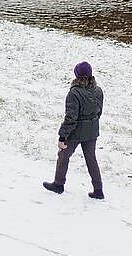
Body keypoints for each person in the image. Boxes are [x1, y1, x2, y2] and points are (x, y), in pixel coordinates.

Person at [43, 61, 104, 199]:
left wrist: (62, 136)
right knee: (91, 159)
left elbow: (71, 118)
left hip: (76, 132)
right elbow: (99, 111)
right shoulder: (98, 90)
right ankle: (98, 190)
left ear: (77, 75)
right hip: (92, 132)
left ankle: (58, 184)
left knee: (63, 155)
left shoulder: (74, 93)